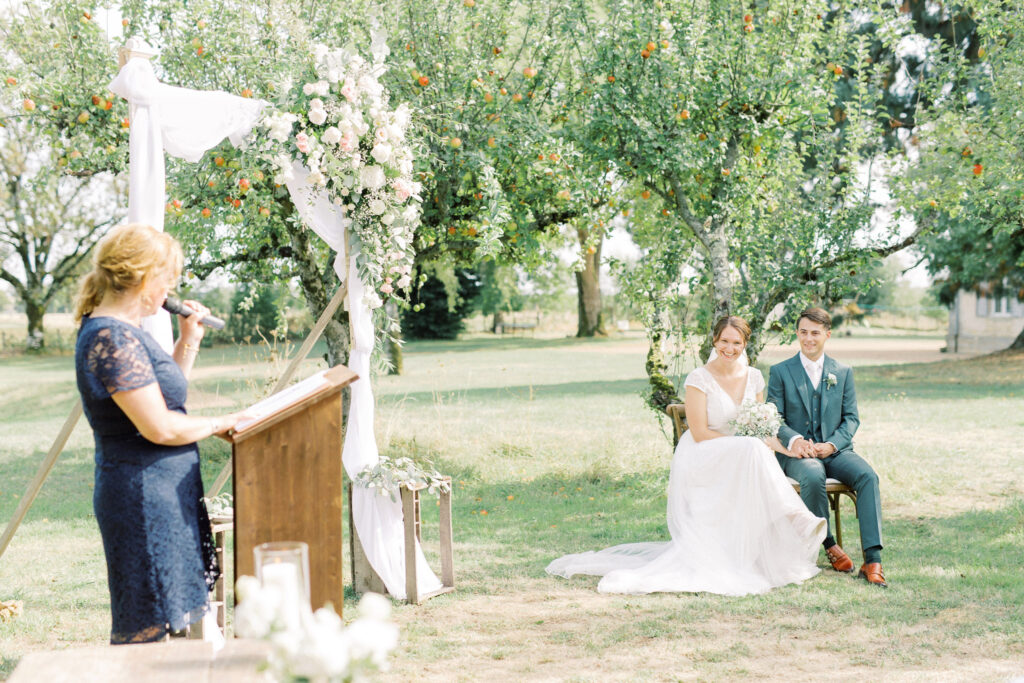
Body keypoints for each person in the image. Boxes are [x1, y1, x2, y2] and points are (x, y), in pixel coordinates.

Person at [546, 316, 826, 595]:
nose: (729, 348)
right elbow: (700, 432)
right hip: (704, 453)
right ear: (715, 341)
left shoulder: (754, 377)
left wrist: (789, 448)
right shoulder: (699, 378)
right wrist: (744, 444)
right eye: (724, 341)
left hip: (741, 454)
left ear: (745, 344)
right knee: (751, 447)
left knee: (754, 447)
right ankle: (793, 515)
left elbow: (761, 430)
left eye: (736, 342)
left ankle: (789, 520)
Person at [73, 223, 247, 643]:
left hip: (161, 495)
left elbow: (164, 399)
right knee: (143, 628)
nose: (171, 288)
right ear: (145, 278)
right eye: (168, 278)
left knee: (164, 623)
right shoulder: (110, 337)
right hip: (140, 498)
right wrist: (221, 423)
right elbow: (160, 426)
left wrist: (190, 340)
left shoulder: (124, 333)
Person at [766, 307, 886, 587]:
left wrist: (832, 445)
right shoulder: (780, 372)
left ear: (827, 335)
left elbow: (852, 418)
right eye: (804, 332)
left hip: (836, 452)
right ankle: (829, 543)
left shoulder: (842, 372)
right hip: (794, 454)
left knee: (868, 477)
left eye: (815, 333)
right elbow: (774, 417)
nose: (809, 338)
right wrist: (796, 441)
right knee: (812, 472)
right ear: (797, 333)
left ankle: (873, 560)